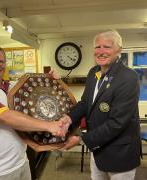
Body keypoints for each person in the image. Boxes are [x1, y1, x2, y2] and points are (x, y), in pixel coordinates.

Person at [0, 45, 67, 180]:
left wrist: (51, 80)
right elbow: (7, 117)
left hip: (21, 161)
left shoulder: (11, 87)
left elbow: (37, 94)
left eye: (1, 61)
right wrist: (50, 126)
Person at [61, 30, 142, 180]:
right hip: (97, 150)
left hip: (120, 155)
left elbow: (117, 123)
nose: (101, 51)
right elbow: (85, 103)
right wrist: (69, 119)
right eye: (98, 47)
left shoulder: (129, 77)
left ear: (119, 50)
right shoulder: (93, 72)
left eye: (107, 47)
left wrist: (81, 140)